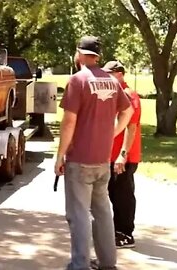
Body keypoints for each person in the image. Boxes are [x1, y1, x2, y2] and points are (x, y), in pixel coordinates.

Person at [55, 36, 134, 270]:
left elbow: (69, 122)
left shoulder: (78, 80)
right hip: (102, 160)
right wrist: (112, 133)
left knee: (78, 215)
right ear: (98, 56)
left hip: (80, 159)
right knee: (102, 213)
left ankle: (79, 265)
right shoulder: (111, 81)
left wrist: (60, 155)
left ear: (79, 53)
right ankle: (108, 263)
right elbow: (127, 112)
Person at [103, 60, 142, 249]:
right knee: (113, 193)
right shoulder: (115, 95)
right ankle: (117, 231)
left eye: (108, 74)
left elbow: (131, 127)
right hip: (112, 155)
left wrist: (122, 155)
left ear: (119, 74)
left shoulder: (129, 95)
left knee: (123, 195)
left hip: (124, 156)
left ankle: (126, 233)